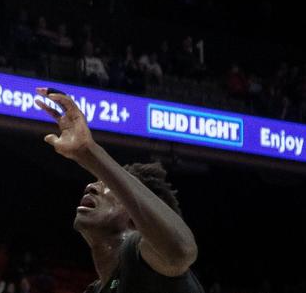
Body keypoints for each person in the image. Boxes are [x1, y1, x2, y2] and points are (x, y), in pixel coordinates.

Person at [35, 88, 203, 293]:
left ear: (135, 217)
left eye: (106, 185)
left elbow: (180, 251)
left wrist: (89, 153)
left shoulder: (141, 257)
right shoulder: (97, 289)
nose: (91, 186)